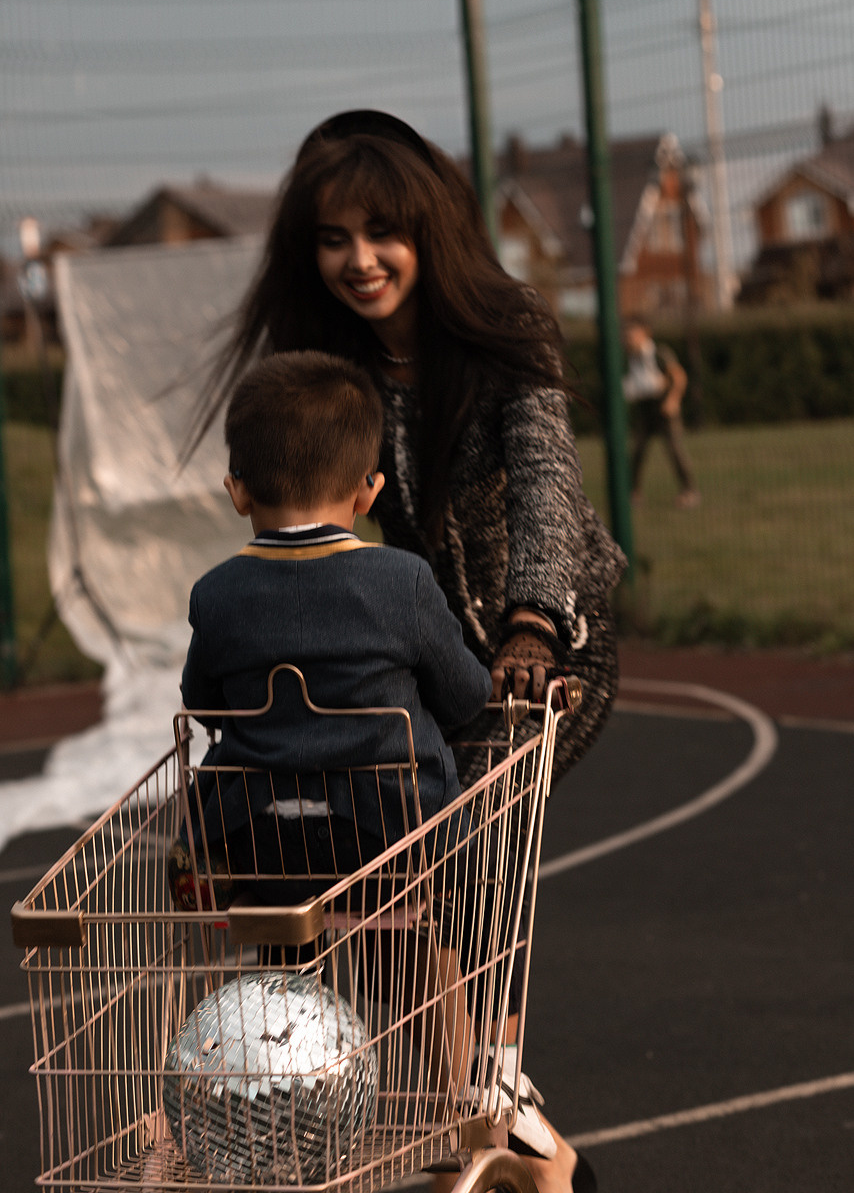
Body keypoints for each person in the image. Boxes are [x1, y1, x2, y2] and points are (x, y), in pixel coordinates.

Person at [192, 109, 625, 1193]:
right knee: (365, 843)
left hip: (544, 653)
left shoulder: (503, 327)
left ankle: (488, 1079)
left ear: (427, 229)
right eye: (333, 238)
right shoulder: (329, 360)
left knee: (460, 814)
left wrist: (533, 621)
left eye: (382, 231)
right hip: (416, 654)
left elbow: (545, 485)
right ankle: (492, 1115)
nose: (359, 259)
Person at [180, 349, 492, 877]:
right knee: (444, 906)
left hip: (257, 839)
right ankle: (439, 949)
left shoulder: (215, 593)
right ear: (369, 491)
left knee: (263, 886)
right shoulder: (405, 580)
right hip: (395, 836)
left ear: (238, 491)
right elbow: (466, 698)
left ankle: (237, 906)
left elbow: (204, 708)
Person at [622, 315, 700, 508]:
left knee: (675, 450)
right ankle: (634, 493)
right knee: (638, 451)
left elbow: (679, 376)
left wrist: (673, 400)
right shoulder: (628, 357)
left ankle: (689, 491)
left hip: (663, 407)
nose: (628, 337)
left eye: (633, 333)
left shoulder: (659, 353)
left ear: (644, 333)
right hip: (644, 408)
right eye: (626, 334)